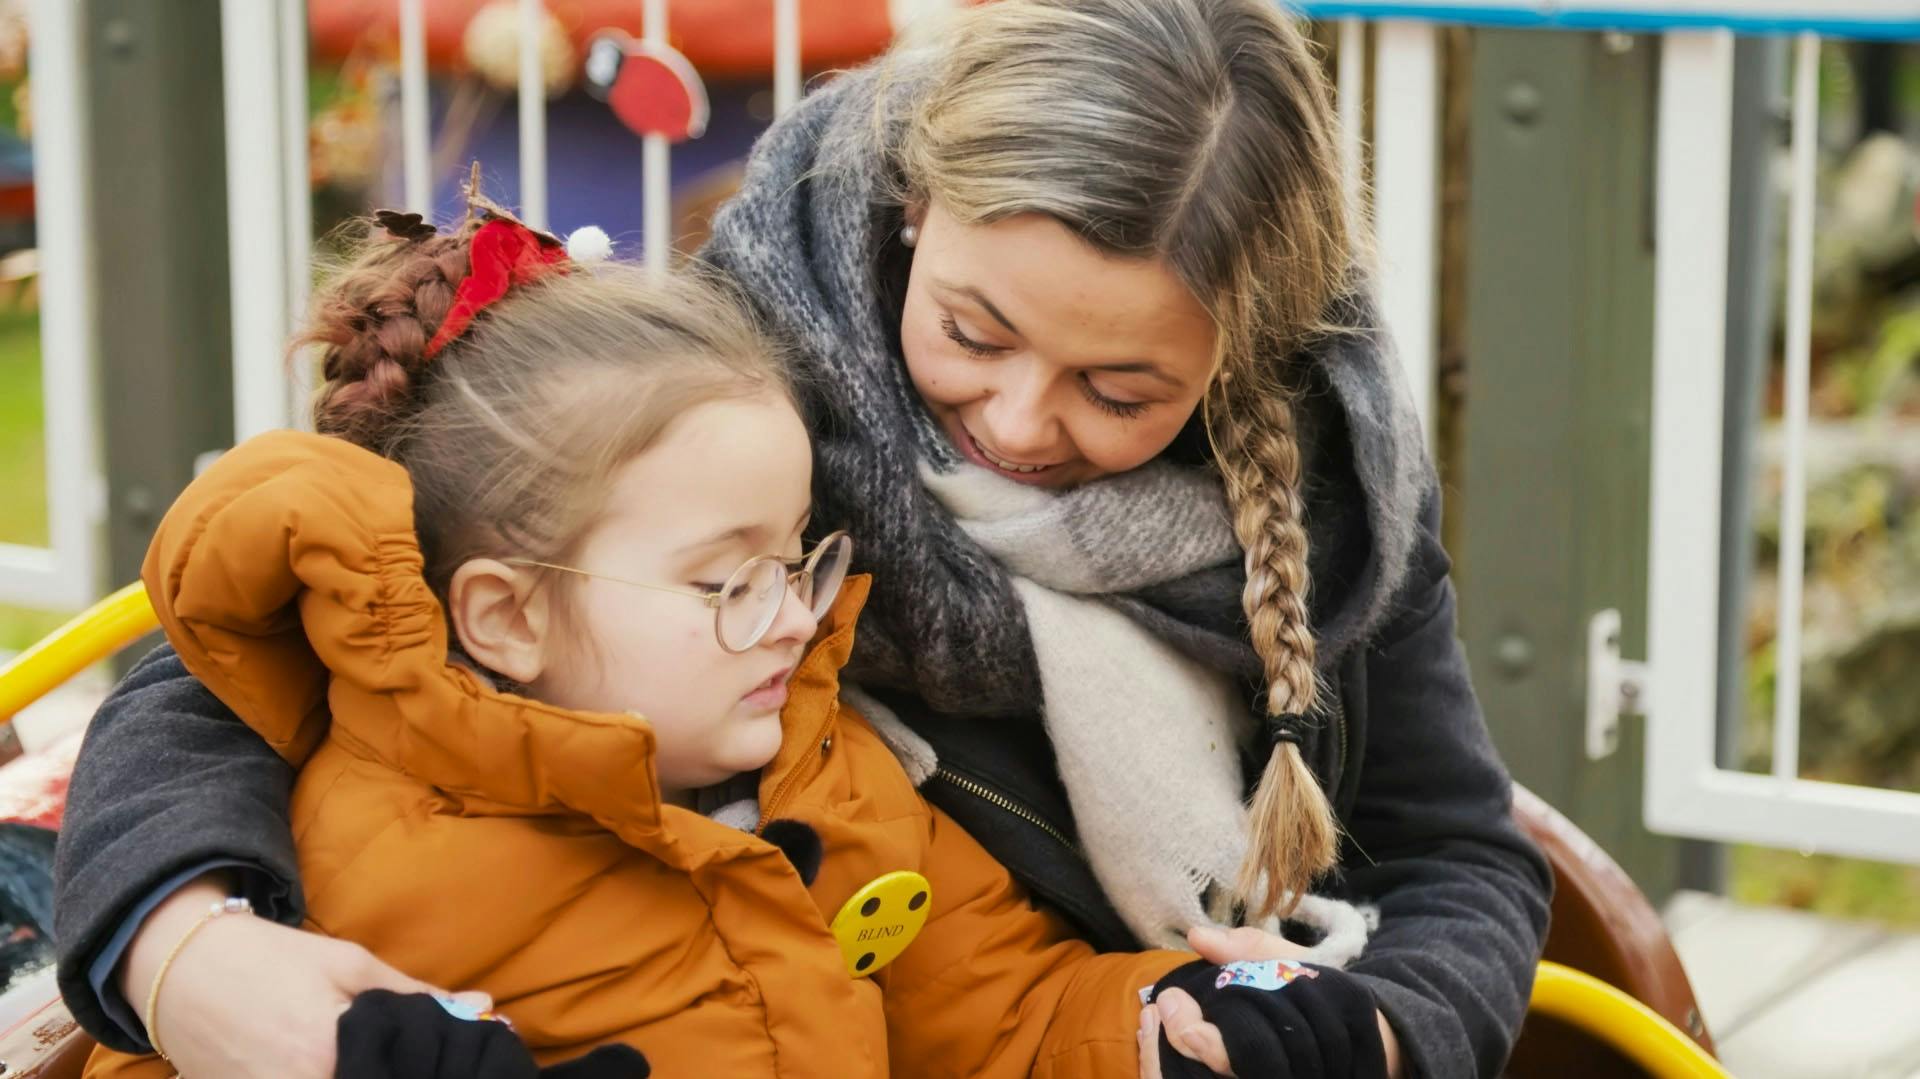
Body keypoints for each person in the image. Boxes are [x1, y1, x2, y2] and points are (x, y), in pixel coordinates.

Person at [53, 2, 1552, 1076]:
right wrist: (189, 953)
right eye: (973, 331)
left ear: (1240, 365)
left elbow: (1460, 855)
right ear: (913, 210)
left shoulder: (1329, 499)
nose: (1020, 422)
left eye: (1122, 390)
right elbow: (245, 647)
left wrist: (1372, 1030)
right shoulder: (725, 399)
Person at [89, 210, 1377, 1079]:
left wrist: (1159, 1029)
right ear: (508, 617)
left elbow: (999, 1015)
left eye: (796, 560)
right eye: (724, 583)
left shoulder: (836, 778)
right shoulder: (355, 864)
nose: (797, 615)